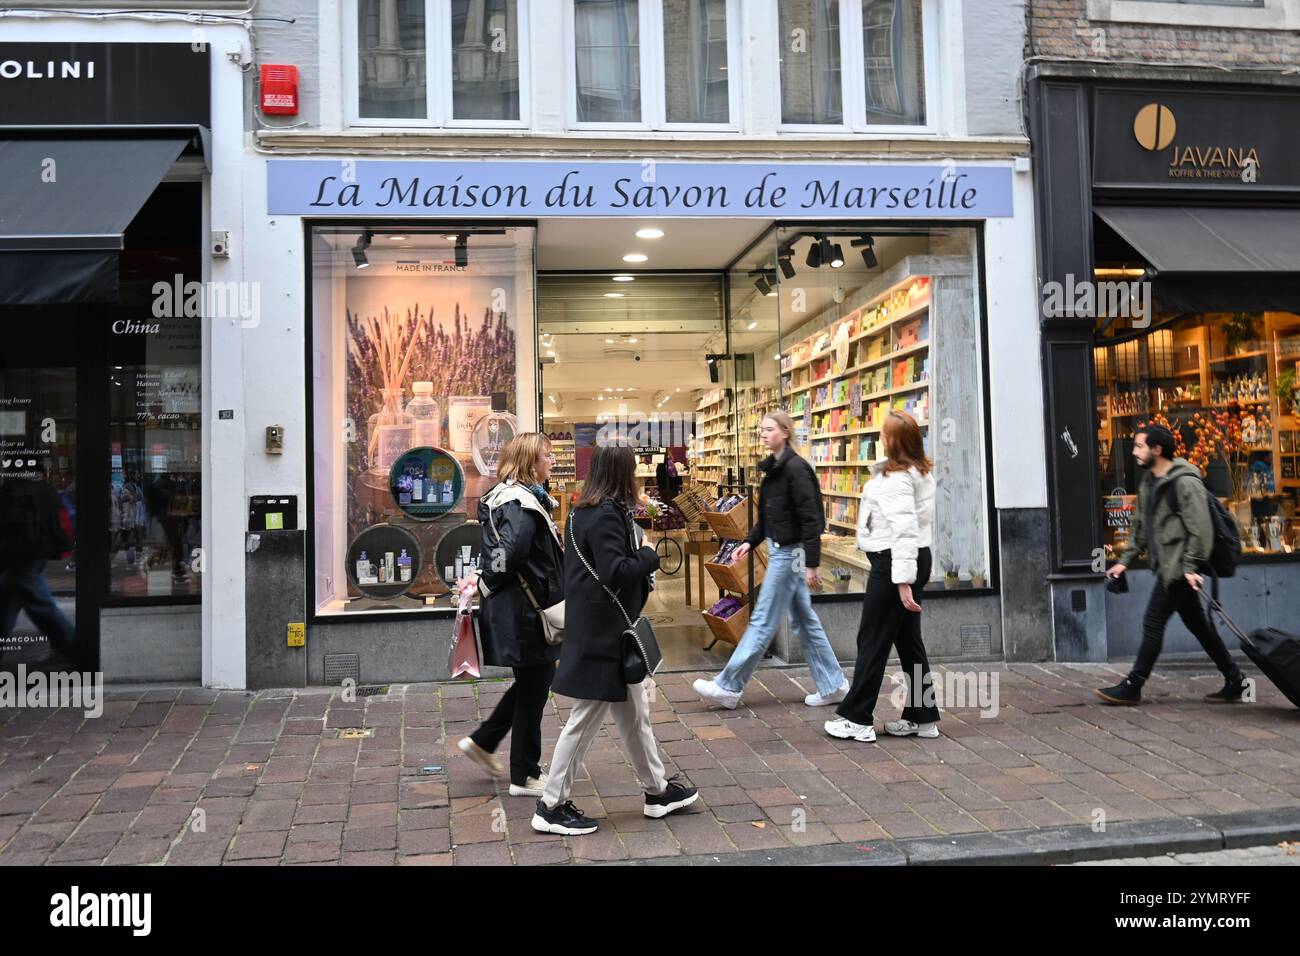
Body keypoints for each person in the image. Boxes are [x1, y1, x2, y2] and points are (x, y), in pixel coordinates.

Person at [532, 444, 699, 836]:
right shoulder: (607, 515)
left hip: (601, 628)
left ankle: (657, 791)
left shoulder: (581, 512)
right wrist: (649, 556)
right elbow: (615, 570)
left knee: (635, 714)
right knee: (584, 719)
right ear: (621, 474)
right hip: (603, 635)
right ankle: (551, 805)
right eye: (632, 472)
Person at [693, 411, 848, 710]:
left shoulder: (796, 470)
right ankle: (833, 685)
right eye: (761, 430)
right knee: (804, 622)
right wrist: (749, 543)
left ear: (785, 432)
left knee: (762, 619)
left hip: (791, 554)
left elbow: (811, 517)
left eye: (769, 429)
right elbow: (767, 519)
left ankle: (728, 686)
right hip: (782, 551)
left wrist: (811, 564)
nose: (763, 434)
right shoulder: (774, 470)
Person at [1097, 424, 1246, 705]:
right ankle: (1235, 679)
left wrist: (1190, 566)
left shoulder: (1184, 482)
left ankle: (1133, 684)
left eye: (1140, 446)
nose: (1134, 452)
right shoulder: (1150, 482)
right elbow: (1140, 527)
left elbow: (1200, 529)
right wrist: (1124, 562)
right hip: (1171, 566)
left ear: (1157, 449)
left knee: (1153, 622)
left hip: (1178, 569)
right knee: (1198, 625)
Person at [457, 433, 564, 798]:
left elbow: (504, 552)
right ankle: (525, 775)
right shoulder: (519, 502)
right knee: (536, 686)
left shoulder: (515, 497)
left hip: (520, 609)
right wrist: (487, 579)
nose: (551, 462)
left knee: (532, 684)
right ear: (530, 462)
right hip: (524, 612)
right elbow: (511, 551)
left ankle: (485, 741)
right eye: (547, 456)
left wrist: (485, 577)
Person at [824, 410, 940, 743]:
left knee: (872, 638)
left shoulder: (898, 479)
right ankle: (922, 716)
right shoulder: (920, 472)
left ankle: (857, 717)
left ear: (893, 441)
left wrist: (903, 582)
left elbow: (903, 531)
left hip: (894, 563)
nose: (880, 438)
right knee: (908, 642)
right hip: (913, 558)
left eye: (884, 434)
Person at [0, 476, 77, 665]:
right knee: (10, 602)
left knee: (38, 603)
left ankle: (76, 648)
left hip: (22, 553)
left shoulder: (15, 489)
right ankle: (72, 647)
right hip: (33, 552)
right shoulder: (39, 487)